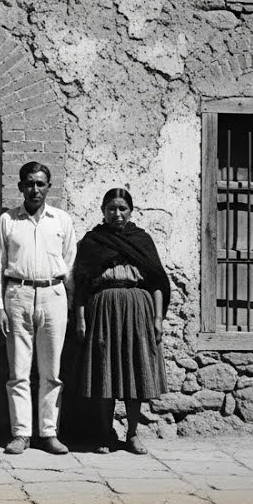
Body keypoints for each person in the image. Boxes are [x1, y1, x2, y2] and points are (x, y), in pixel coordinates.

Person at [0, 161, 77, 455]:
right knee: (18, 370)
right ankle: (21, 433)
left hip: (53, 294)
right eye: (29, 183)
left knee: (51, 371)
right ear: (20, 187)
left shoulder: (61, 220)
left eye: (40, 183)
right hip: (18, 294)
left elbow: (69, 263)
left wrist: (66, 302)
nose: (34, 189)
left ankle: (49, 433)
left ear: (49, 187)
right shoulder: (8, 220)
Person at [73, 188, 171, 455]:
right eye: (111, 209)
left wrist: (158, 318)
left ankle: (132, 434)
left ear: (131, 211)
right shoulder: (92, 241)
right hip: (103, 310)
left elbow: (157, 282)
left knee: (135, 373)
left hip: (138, 310)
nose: (117, 214)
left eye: (122, 208)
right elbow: (81, 284)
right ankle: (105, 433)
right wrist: (80, 319)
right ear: (103, 211)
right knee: (104, 372)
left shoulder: (142, 240)